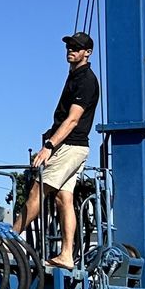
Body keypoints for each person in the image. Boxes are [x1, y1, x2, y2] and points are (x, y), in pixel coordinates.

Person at [21, 31, 100, 269]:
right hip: (73, 147)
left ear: (88, 53)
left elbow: (73, 120)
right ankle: (66, 255)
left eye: (77, 48)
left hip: (69, 146)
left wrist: (49, 146)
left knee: (37, 192)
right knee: (63, 198)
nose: (71, 50)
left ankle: (6, 241)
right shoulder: (75, 76)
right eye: (69, 46)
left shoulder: (86, 81)